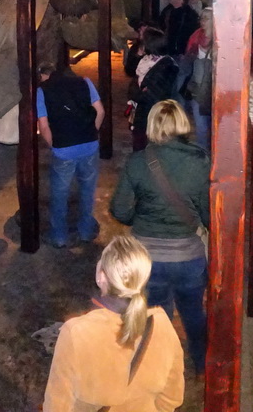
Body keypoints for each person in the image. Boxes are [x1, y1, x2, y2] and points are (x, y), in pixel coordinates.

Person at [109, 100, 210, 376]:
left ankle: (157, 370)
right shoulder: (200, 161)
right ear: (182, 124)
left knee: (154, 315)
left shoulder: (139, 161)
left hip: (147, 259)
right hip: (188, 256)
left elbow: (119, 209)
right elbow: (209, 214)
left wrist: (140, 219)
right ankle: (202, 364)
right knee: (193, 313)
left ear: (152, 125)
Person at [43, 235, 185, 412]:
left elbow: (58, 404)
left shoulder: (76, 333)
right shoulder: (162, 324)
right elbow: (172, 398)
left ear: (101, 277)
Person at [38, 63, 106, 248]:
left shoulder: (42, 90)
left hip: (64, 149)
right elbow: (100, 111)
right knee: (87, 188)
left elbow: (43, 126)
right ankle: (85, 231)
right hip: (90, 144)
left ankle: (59, 236)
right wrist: (93, 132)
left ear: (44, 75)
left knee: (60, 193)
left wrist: (55, 145)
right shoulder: (85, 81)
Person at [130, 29, 179, 153]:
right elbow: (132, 75)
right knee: (139, 136)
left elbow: (156, 92)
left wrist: (138, 93)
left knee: (149, 140)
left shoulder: (166, 65)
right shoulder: (146, 59)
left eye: (144, 40)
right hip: (143, 107)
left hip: (153, 111)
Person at [184, 7, 215, 148]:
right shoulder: (196, 36)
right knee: (201, 126)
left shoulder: (220, 39)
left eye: (206, 18)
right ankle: (204, 157)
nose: (202, 21)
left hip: (214, 88)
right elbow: (188, 58)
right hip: (198, 86)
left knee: (213, 125)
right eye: (201, 18)